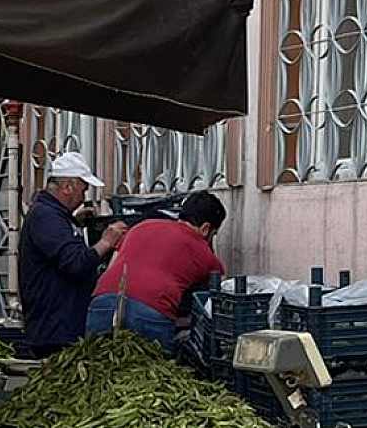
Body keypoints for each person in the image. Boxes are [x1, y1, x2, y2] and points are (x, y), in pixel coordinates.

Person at [85, 191, 227, 354]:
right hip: (150, 309)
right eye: (213, 234)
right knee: (150, 371)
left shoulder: (141, 227)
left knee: (97, 365)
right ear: (205, 228)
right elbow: (222, 288)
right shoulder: (202, 250)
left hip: (102, 300)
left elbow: (112, 266)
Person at [17, 151, 128, 358]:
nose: (83, 198)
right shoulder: (46, 217)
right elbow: (76, 262)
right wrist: (106, 242)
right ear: (68, 187)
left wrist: (74, 221)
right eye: (82, 190)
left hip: (60, 326)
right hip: (55, 331)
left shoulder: (53, 215)